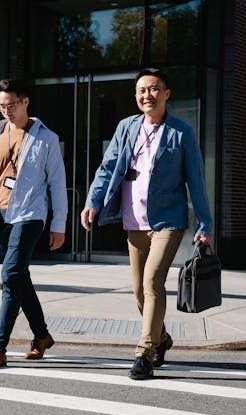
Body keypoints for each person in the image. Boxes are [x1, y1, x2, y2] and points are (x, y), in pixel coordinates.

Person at [80, 67, 213, 380]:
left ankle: (145, 353)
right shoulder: (127, 127)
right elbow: (107, 167)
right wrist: (92, 201)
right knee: (139, 291)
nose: (147, 95)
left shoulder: (181, 132)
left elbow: (196, 179)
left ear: (166, 94)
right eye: (141, 90)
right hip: (133, 220)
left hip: (168, 220)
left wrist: (205, 224)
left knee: (153, 281)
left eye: (153, 89)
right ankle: (162, 337)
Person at [0, 79, 68, 368]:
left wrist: (58, 223)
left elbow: (57, 182)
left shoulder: (45, 138)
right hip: (0, 215)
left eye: (11, 105)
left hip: (30, 214)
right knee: (19, 277)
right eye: (1, 106)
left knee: (10, 276)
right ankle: (42, 336)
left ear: (25, 102)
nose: (6, 111)